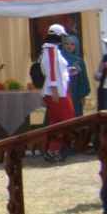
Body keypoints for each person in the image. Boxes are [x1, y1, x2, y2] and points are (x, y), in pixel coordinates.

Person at [39, 24, 74, 162]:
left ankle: (52, 150)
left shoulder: (49, 50)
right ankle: (57, 148)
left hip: (56, 89)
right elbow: (52, 72)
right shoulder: (51, 50)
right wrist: (54, 90)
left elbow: (53, 70)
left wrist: (67, 71)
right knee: (68, 119)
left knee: (56, 122)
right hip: (56, 91)